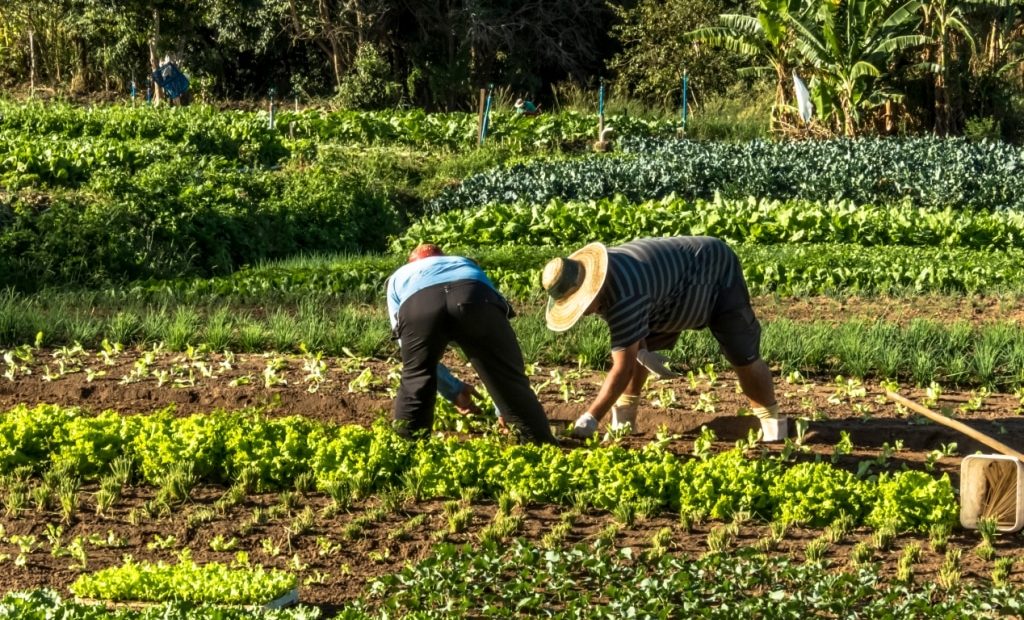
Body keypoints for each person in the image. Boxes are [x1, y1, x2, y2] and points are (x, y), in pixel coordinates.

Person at [541, 236, 786, 441]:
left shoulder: (625, 293)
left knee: (742, 354)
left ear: (592, 286)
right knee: (635, 349)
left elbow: (623, 368)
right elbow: (631, 339)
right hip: (667, 292)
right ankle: (624, 424)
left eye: (581, 303)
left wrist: (591, 418)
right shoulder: (603, 277)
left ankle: (773, 428)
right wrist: (642, 348)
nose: (583, 312)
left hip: (713, 270)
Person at [387, 243, 557, 444]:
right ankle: (538, 447)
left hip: (419, 306)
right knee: (506, 375)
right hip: (472, 294)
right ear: (443, 257)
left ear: (411, 263)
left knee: (416, 377)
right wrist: (503, 407)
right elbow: (496, 358)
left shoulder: (399, 276)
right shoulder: (463, 263)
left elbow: (412, 355)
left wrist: (454, 390)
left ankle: (406, 452)